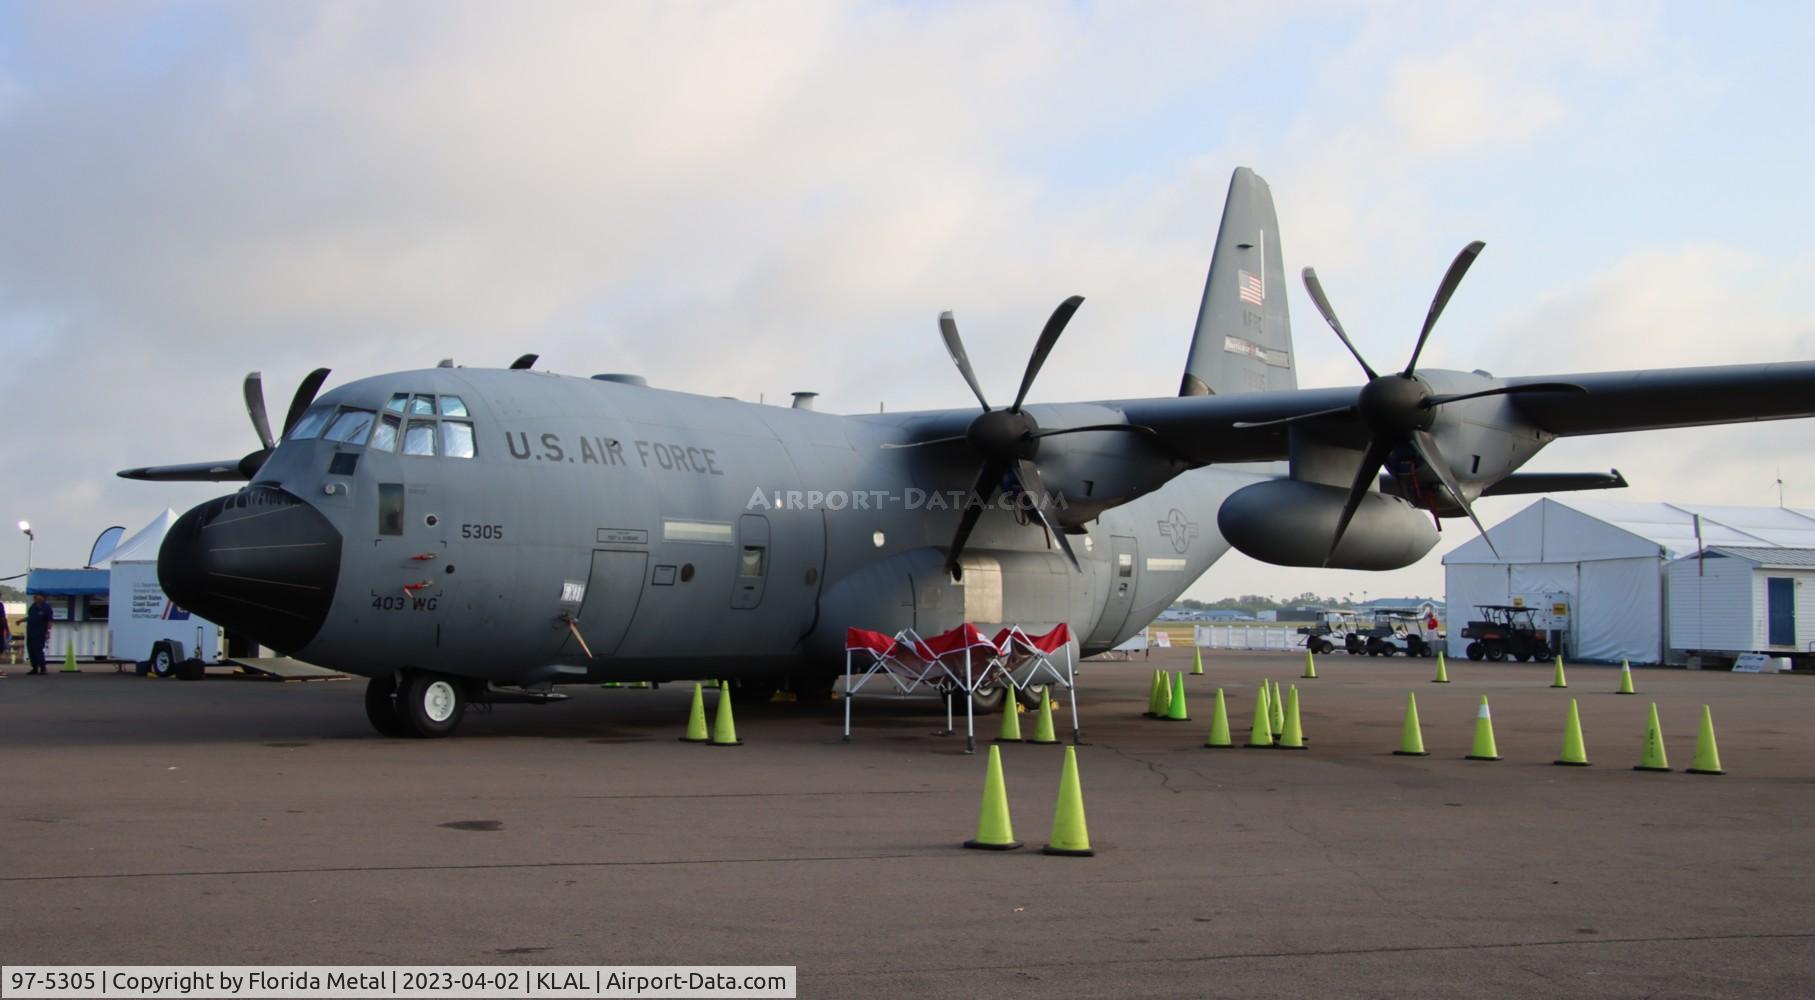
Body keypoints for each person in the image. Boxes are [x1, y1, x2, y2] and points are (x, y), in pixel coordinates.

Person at [25, 593, 52, 674]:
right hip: (30, 632)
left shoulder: (46, 608)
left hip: (40, 632)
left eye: (37, 596)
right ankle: (34, 668)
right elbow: (30, 617)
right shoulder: (33, 607)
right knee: (31, 650)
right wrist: (20, 620)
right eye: (35, 596)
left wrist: (47, 632)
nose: (35, 597)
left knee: (38, 650)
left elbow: (49, 621)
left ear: (42, 597)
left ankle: (43, 668)